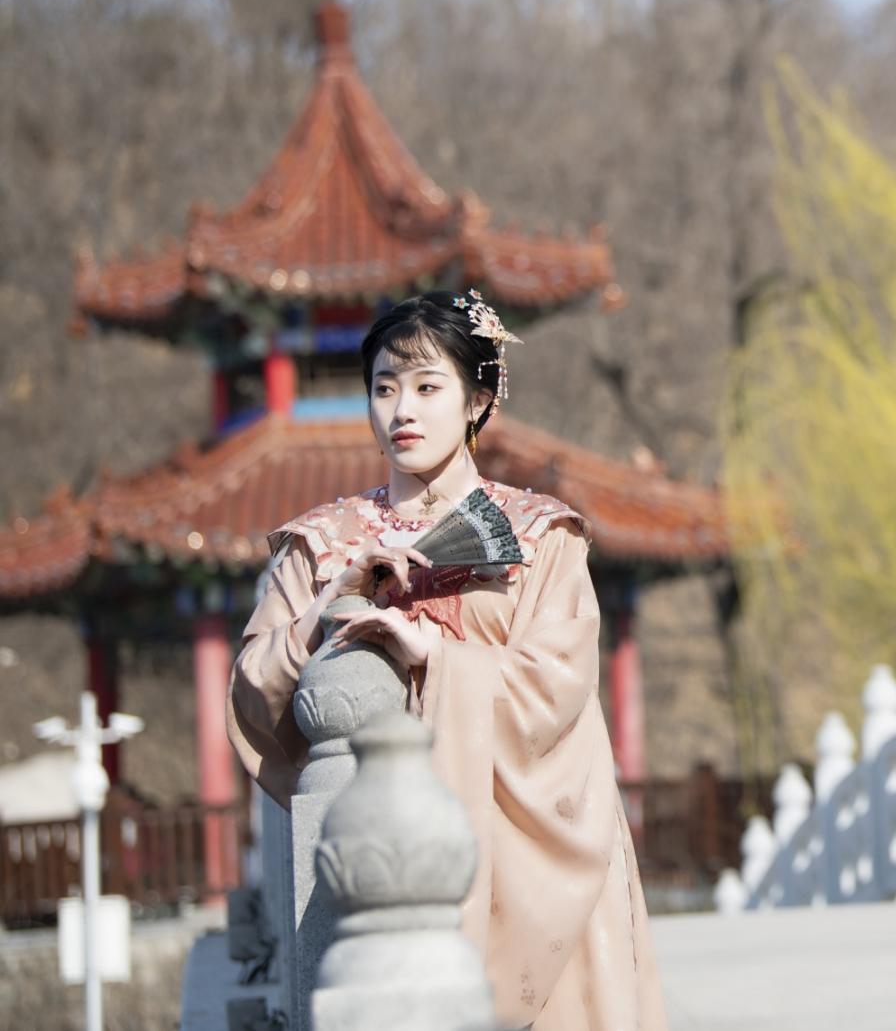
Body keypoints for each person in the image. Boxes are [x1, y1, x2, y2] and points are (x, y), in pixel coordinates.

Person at [226, 290, 668, 1031]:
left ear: (477, 400)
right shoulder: (322, 544)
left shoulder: (541, 536)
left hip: (530, 841)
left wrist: (436, 653)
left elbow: (559, 682)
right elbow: (252, 688)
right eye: (384, 388)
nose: (402, 410)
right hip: (381, 847)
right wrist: (328, 602)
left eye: (428, 387)